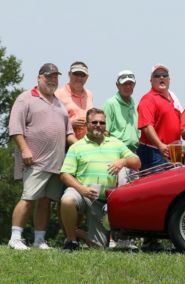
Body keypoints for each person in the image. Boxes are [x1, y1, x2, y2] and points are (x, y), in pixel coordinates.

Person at [7, 63, 77, 250]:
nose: (52, 80)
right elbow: (15, 128)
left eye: (55, 77)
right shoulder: (26, 98)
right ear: (39, 77)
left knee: (46, 202)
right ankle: (15, 237)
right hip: (35, 160)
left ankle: (39, 240)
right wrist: (24, 150)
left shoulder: (59, 103)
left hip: (56, 164)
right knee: (28, 198)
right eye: (49, 77)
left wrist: (82, 148)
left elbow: (68, 134)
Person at [59, 108, 141, 251]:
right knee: (67, 200)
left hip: (103, 201)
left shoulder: (115, 143)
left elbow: (137, 162)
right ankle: (71, 241)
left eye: (102, 123)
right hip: (82, 193)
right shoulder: (77, 146)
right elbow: (65, 174)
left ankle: (79, 233)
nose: (98, 125)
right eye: (94, 122)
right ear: (87, 124)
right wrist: (82, 189)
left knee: (99, 248)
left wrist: (123, 162)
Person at [137, 64, 182, 170]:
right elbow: (147, 127)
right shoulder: (148, 99)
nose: (161, 77)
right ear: (151, 81)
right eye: (157, 76)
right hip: (154, 152)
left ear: (169, 80)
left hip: (172, 153)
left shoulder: (174, 99)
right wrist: (160, 145)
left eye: (164, 75)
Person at [104, 70, 140, 185]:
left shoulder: (133, 103)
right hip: (117, 155)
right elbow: (105, 132)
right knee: (122, 190)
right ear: (117, 85)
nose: (128, 87)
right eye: (124, 84)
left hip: (133, 154)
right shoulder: (110, 103)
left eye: (130, 84)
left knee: (134, 191)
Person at [55, 61, 94, 139]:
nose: (79, 78)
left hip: (87, 142)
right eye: (76, 74)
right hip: (66, 143)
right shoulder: (58, 94)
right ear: (69, 74)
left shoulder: (89, 94)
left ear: (87, 77)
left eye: (82, 75)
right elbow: (52, 122)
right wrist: (71, 124)